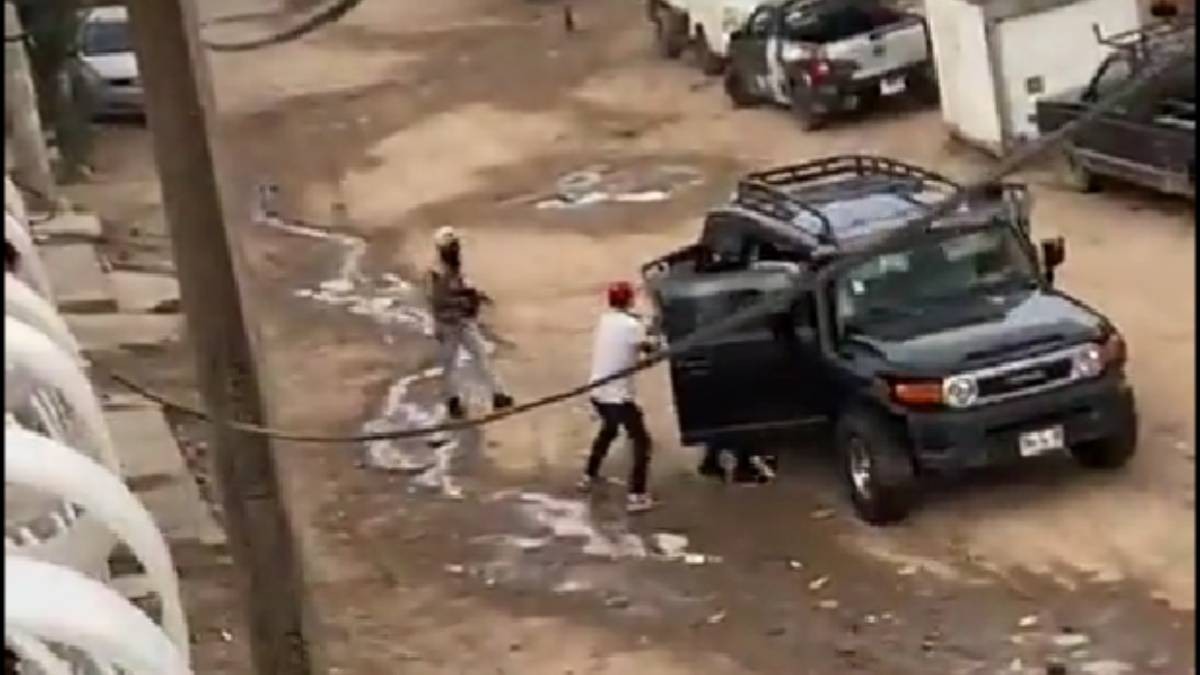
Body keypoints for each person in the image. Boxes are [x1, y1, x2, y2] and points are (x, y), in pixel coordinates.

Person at [578, 281, 659, 513]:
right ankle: (637, 495)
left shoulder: (606, 321)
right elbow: (651, 349)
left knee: (609, 430)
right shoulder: (633, 327)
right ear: (630, 300)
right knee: (642, 442)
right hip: (618, 396)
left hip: (597, 391)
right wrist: (655, 332)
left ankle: (588, 475)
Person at [427, 226, 513, 419]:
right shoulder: (437, 272)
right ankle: (453, 401)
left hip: (462, 321)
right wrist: (466, 299)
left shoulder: (451, 266)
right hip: (449, 324)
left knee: (480, 357)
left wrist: (474, 296)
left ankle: (499, 395)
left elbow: (460, 288)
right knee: (452, 365)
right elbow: (439, 300)